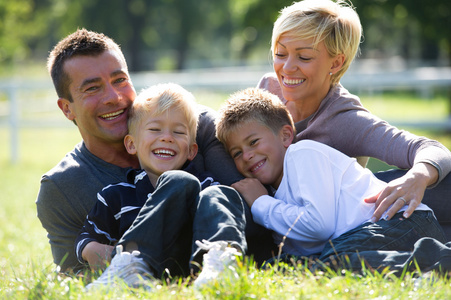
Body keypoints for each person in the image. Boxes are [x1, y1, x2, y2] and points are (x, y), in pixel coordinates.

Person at [36, 28, 253, 273]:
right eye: (92, 88)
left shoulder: (196, 126)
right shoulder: (62, 187)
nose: (113, 97)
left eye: (120, 80)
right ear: (67, 109)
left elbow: (241, 205)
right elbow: (77, 272)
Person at [256, 0, 451, 233]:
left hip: (332, 223)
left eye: (304, 57)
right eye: (280, 53)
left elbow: (432, 149)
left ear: (336, 63)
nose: (287, 68)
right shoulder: (269, 88)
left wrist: (417, 177)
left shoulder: (344, 118)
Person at [215, 87, 447, 272]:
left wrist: (260, 203)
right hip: (367, 238)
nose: (247, 155)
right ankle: (418, 268)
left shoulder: (302, 154)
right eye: (236, 153)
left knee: (331, 263)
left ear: (286, 135)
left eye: (253, 142)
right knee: (315, 263)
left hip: (400, 221)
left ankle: (442, 258)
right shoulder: (275, 194)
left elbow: (318, 226)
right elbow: (309, 243)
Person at [76, 83, 246, 289]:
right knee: (180, 181)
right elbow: (86, 240)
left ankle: (221, 265)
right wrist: (101, 252)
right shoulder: (117, 196)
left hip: (197, 265)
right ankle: (130, 267)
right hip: (147, 266)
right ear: (131, 144)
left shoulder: (206, 187)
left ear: (192, 151)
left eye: (178, 132)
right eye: (155, 129)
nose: (166, 137)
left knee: (216, 192)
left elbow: (226, 215)